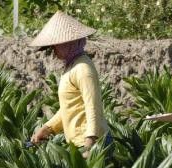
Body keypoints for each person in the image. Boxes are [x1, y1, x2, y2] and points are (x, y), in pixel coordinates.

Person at [29, 11, 111, 158]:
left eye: (56, 45)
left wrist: (89, 143)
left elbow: (93, 106)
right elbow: (70, 107)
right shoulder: (71, 66)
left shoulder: (83, 68)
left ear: (68, 43)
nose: (53, 50)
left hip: (91, 143)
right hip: (79, 142)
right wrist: (48, 128)